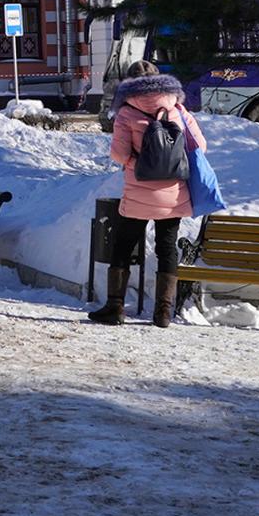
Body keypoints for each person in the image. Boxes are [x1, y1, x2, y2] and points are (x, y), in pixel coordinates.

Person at [88, 61, 205, 329]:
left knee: (123, 246)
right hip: (174, 193)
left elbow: (118, 154)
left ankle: (114, 307)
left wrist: (135, 164)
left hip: (139, 192)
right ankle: (163, 312)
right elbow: (199, 145)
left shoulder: (127, 113)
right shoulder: (178, 109)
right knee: (167, 248)